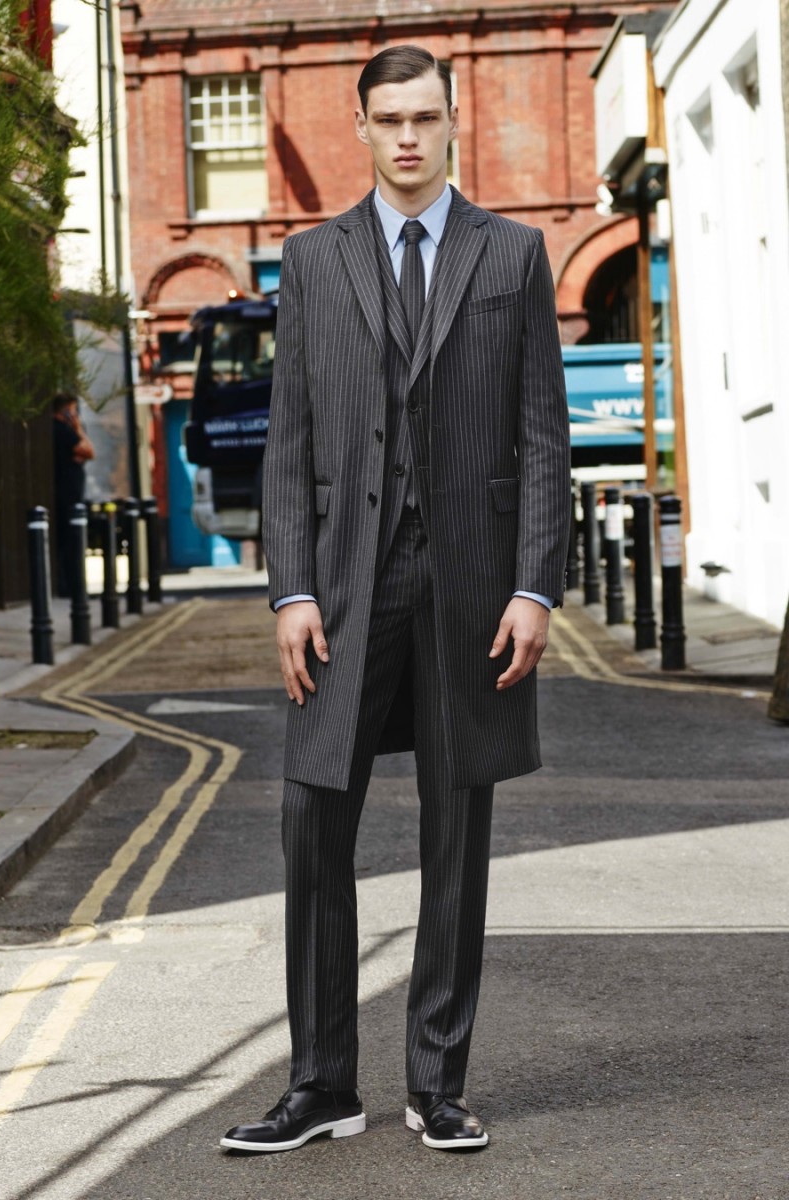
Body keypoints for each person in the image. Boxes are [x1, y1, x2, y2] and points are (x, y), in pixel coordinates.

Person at [222, 44, 570, 1155]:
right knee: (311, 823)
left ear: (452, 120)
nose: (409, 137)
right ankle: (323, 1083)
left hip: (468, 587)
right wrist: (289, 589)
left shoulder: (512, 255)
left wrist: (532, 586)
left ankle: (437, 1083)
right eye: (389, 120)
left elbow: (540, 438)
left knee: (454, 832)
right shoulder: (311, 262)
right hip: (345, 585)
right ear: (360, 128)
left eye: (426, 116)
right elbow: (291, 448)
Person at [52, 390, 95, 597]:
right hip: (67, 498)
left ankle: (68, 587)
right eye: (74, 411)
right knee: (70, 545)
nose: (76, 415)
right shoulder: (64, 431)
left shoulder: (58, 431)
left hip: (66, 496)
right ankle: (71, 588)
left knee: (65, 544)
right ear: (66, 411)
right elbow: (89, 451)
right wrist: (78, 429)